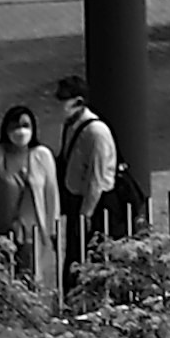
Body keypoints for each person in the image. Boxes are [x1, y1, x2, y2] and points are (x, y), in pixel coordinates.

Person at [0, 99, 55, 312]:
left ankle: (30, 312)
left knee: (28, 273)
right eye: (15, 126)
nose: (20, 131)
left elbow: (50, 193)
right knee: (1, 274)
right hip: (2, 226)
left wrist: (52, 226)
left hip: (30, 230)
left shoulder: (41, 155)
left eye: (25, 125)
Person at [52, 68, 124, 280]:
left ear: (79, 102)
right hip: (77, 200)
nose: (61, 106)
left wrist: (86, 213)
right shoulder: (71, 126)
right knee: (74, 256)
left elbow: (97, 179)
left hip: (95, 205)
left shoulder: (96, 132)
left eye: (65, 100)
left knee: (89, 258)